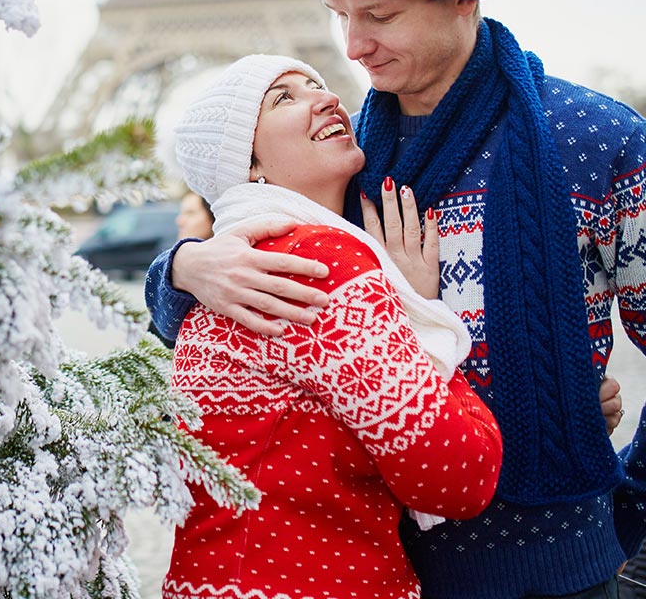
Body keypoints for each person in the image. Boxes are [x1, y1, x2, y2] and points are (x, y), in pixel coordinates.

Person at [145, 0, 646, 598]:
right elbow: (213, 335)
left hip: (563, 566)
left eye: (378, 16)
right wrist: (184, 268)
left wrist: (633, 514)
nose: (351, 46)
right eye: (337, 14)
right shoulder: (339, 154)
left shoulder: (595, 140)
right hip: (377, 563)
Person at [161, 53, 502, 599]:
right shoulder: (320, 263)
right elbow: (458, 477)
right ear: (246, 164)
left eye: (317, 84)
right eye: (283, 98)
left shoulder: (224, 277)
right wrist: (421, 313)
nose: (326, 97)